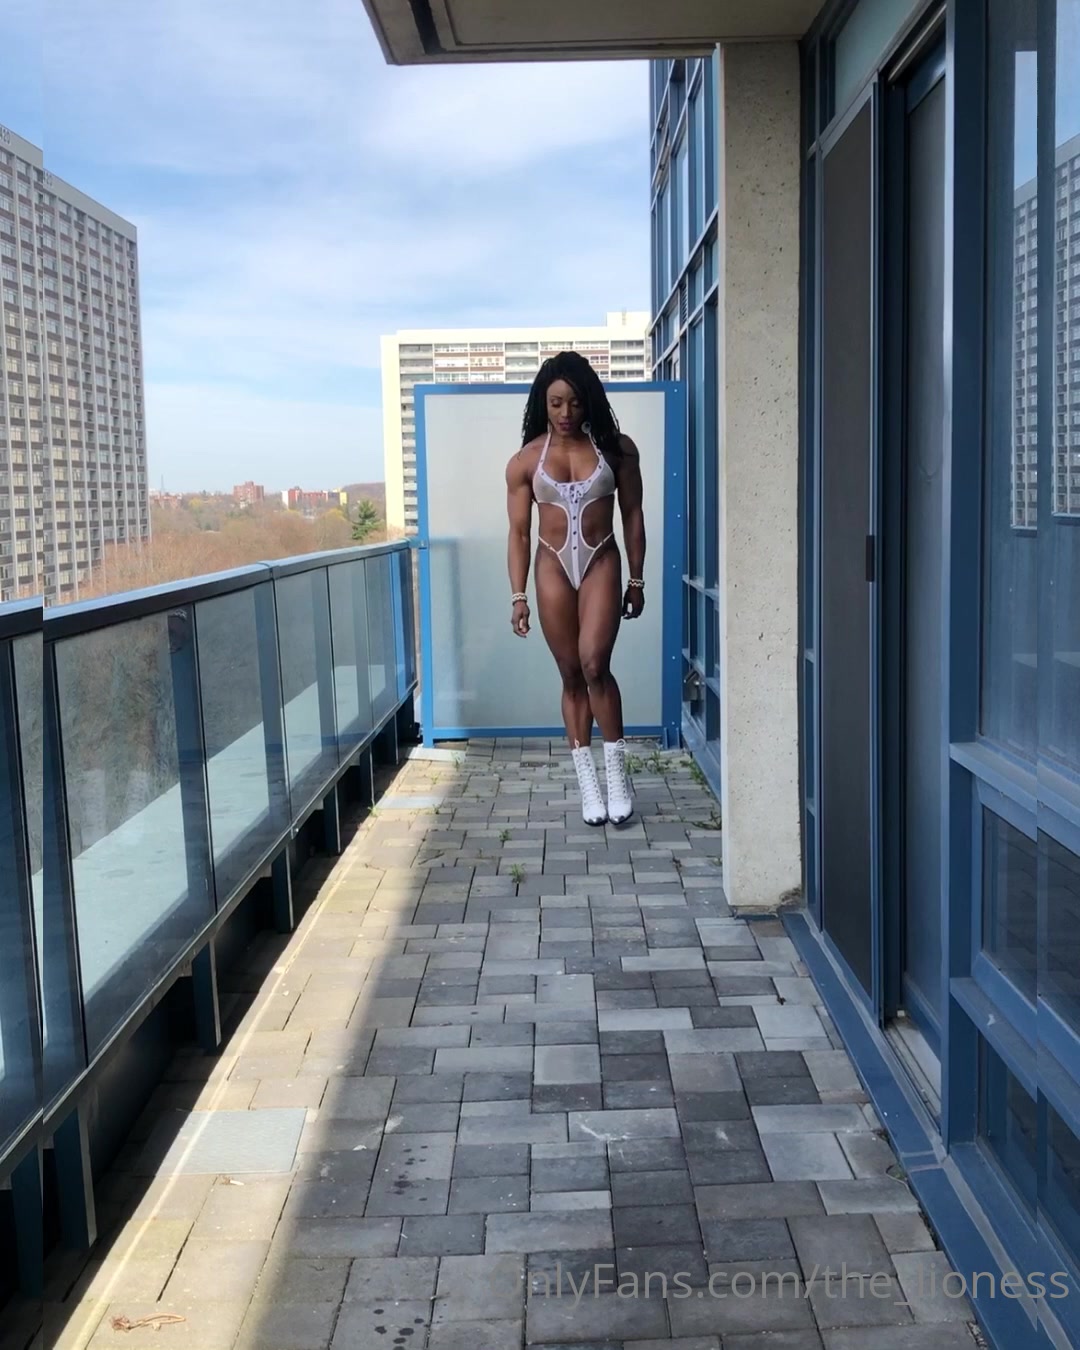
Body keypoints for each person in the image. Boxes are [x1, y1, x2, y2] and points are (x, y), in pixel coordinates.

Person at [505, 351, 646, 826]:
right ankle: (589, 784)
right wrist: (518, 596)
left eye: (575, 402)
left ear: (589, 401)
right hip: (552, 569)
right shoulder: (526, 461)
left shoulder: (616, 449)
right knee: (570, 675)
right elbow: (518, 533)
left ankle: (617, 776)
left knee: (594, 664)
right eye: (556, 403)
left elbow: (633, 515)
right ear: (543, 404)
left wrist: (636, 579)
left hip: (601, 561)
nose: (566, 413)